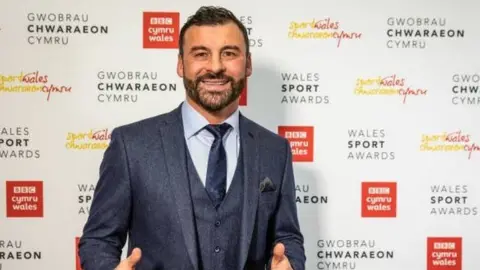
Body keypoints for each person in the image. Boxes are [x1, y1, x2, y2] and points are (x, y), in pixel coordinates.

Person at [78, 5, 305, 270]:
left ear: (248, 64)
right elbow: (98, 240)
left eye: (229, 53)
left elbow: (287, 237)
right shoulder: (131, 146)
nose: (216, 67)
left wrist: (291, 264)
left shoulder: (274, 149)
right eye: (201, 54)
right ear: (180, 64)